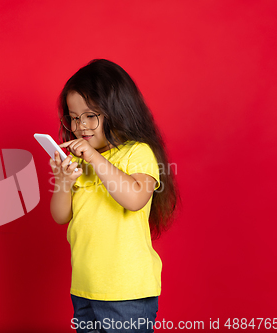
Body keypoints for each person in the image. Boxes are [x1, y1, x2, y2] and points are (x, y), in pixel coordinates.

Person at [49, 59, 180, 333]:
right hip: (85, 288)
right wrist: (63, 180)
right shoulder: (82, 161)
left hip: (126, 291)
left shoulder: (137, 152)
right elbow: (61, 216)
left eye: (90, 116)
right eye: (73, 117)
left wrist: (94, 158)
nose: (80, 125)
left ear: (117, 111)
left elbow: (134, 199)